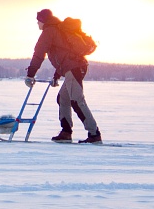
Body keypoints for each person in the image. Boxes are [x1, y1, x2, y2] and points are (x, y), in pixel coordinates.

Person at [24, 8, 102, 143]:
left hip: (74, 68)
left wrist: (30, 74)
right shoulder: (58, 29)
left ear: (43, 21)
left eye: (38, 21)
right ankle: (66, 132)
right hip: (74, 68)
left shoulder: (49, 32)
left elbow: (38, 54)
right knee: (63, 98)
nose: (37, 24)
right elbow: (64, 56)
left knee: (77, 101)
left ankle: (94, 134)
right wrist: (56, 76)